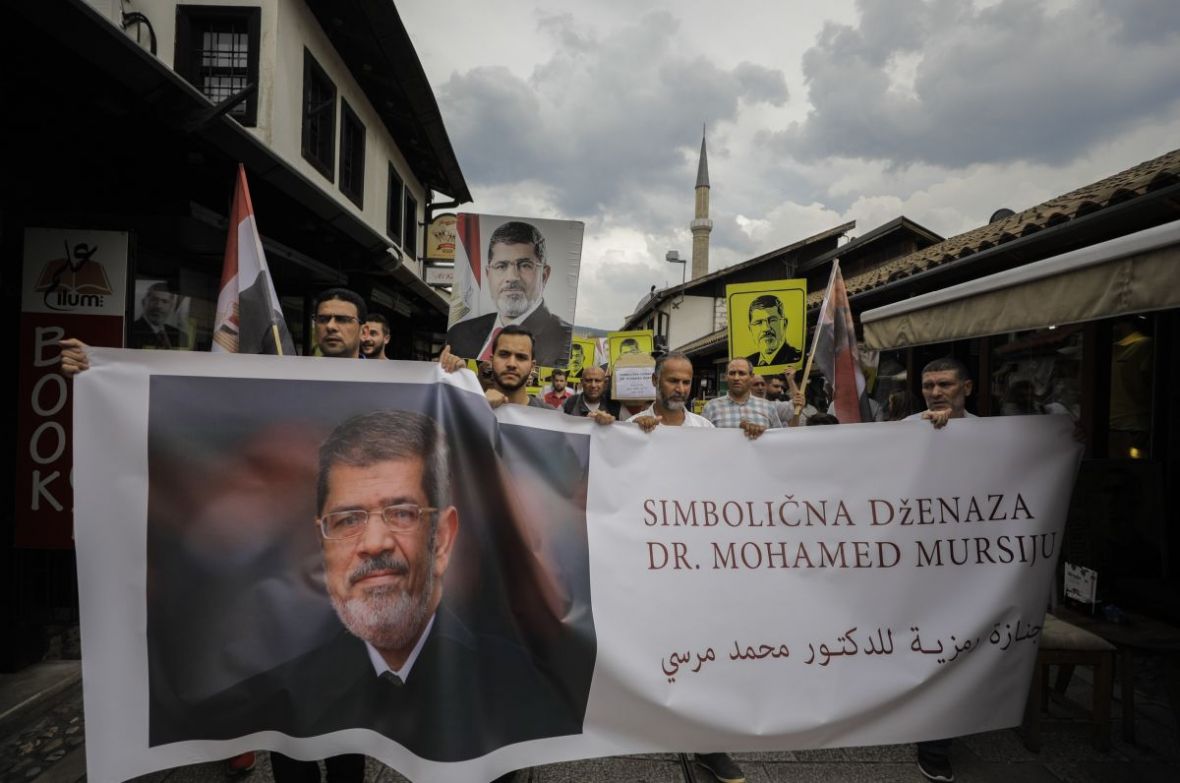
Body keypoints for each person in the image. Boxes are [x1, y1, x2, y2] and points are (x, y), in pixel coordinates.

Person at [626, 354, 745, 783]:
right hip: (647, 558)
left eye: (686, 382)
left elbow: (726, 478)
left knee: (704, 649)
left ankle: (709, 745)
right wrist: (623, 441)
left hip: (694, 560)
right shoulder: (633, 427)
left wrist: (752, 442)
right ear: (656, 381)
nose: (679, 388)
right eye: (672, 381)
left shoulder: (706, 431)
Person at [905, 357, 976, 782]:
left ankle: (939, 736)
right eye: (928, 385)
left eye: (944, 384)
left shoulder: (994, 435)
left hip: (968, 563)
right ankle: (933, 740)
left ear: (967, 387)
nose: (935, 392)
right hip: (916, 561)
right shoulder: (907, 431)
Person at [445, 221, 573, 367]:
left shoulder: (566, 341)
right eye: (501, 266)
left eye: (525, 265)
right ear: (488, 274)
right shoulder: (459, 333)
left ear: (544, 275)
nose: (512, 277)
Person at [701, 358, 783, 440]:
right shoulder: (711, 407)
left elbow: (779, 439)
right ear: (726, 377)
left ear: (751, 377)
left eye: (741, 373)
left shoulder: (768, 407)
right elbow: (703, 440)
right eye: (732, 373)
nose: (736, 378)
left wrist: (762, 433)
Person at [480, 325, 554, 410]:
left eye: (521, 357)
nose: (511, 364)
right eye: (504, 354)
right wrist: (480, 408)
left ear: (532, 366)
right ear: (491, 361)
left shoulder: (550, 416)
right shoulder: (471, 409)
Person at [743, 294, 801, 368]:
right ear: (750, 329)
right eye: (758, 322)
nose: (766, 328)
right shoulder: (746, 364)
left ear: (784, 324)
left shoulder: (797, 359)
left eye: (772, 320)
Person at [128, 282, 184, 350]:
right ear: (143, 302)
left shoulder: (179, 335)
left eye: (164, 301)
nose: (158, 306)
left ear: (171, 307)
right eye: (154, 300)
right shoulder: (131, 331)